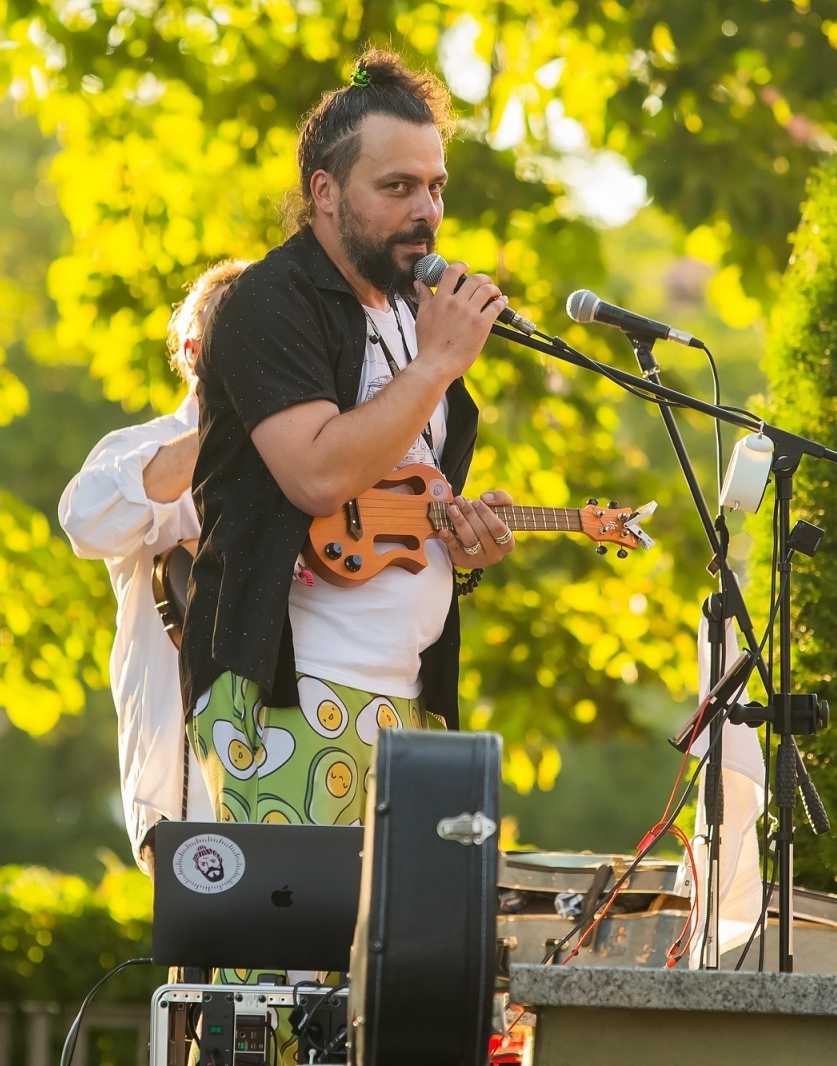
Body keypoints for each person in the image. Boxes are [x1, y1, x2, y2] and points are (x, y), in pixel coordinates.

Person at [181, 48, 517, 836]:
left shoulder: (411, 317)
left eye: (435, 187)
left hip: (402, 694)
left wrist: (455, 539)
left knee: (386, 956)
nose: (425, 210)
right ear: (324, 193)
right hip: (288, 692)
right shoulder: (268, 301)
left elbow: (387, 494)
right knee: (287, 958)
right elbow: (318, 476)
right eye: (396, 187)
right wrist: (438, 363)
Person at [59, 259, 248, 876]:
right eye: (241, 339)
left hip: (292, 749)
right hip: (182, 775)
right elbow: (85, 520)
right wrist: (233, 426)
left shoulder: (311, 454)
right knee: (201, 960)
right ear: (193, 351)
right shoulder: (135, 449)